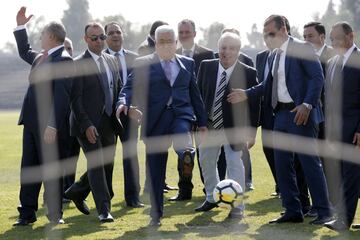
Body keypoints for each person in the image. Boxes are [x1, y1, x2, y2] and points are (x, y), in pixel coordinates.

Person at [227, 15, 332, 225]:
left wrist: (308, 104)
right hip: (281, 116)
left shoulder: (303, 48)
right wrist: (247, 93)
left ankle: (324, 212)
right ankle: (292, 210)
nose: (268, 37)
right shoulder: (274, 55)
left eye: (271, 33)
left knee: (310, 163)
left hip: (301, 113)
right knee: (282, 164)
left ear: (284, 29)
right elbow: (268, 85)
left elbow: (317, 77)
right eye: (266, 34)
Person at [116, 25, 207, 226]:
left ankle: (186, 153)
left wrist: (202, 123)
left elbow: (195, 94)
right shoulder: (143, 64)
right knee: (155, 172)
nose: (166, 45)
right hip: (154, 122)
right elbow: (128, 88)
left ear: (176, 44)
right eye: (161, 42)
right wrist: (123, 103)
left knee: (182, 135)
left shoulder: (188, 63)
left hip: (181, 116)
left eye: (169, 41)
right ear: (155, 44)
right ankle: (156, 215)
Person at [13, 7, 73, 226]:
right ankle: (26, 214)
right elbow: (23, 51)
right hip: (30, 123)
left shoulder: (64, 61)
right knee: (29, 169)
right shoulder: (41, 57)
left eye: (42, 34)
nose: (39, 37)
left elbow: (61, 98)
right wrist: (20, 26)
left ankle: (55, 215)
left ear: (51, 36)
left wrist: (52, 125)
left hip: (49, 128)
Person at [194, 32, 260, 219]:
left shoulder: (248, 72)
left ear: (238, 51)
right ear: (218, 48)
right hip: (209, 126)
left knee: (234, 164)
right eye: (223, 47)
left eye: (231, 48)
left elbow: (255, 105)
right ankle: (211, 197)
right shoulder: (205, 67)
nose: (226, 52)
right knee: (206, 161)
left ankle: (237, 206)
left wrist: (252, 132)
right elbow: (198, 96)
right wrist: (199, 123)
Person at [65, 22, 123, 223]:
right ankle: (104, 209)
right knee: (97, 163)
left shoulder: (112, 60)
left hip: (109, 122)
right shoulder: (78, 63)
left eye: (101, 37)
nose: (99, 41)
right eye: (94, 38)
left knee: (106, 164)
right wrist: (87, 124)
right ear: (85, 40)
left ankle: (77, 191)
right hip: (85, 124)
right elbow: (75, 99)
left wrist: (125, 106)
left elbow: (118, 89)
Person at [169, 19, 215, 201]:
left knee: (205, 153)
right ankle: (184, 191)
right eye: (181, 32)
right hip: (182, 113)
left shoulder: (208, 53)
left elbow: (210, 84)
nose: (184, 35)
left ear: (195, 33)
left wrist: (204, 113)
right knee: (184, 153)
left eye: (187, 32)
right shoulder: (173, 54)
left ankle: (209, 189)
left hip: (203, 111)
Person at [323, 22, 360, 231]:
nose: (333, 42)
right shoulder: (334, 62)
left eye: (336, 37)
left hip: (355, 132)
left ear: (350, 37)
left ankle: (343, 220)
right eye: (331, 38)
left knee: (351, 175)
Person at [104, 22, 143, 208]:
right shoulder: (100, 59)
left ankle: (133, 197)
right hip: (106, 116)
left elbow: (141, 87)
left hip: (129, 114)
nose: (115, 35)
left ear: (123, 35)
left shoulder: (135, 59)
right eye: (110, 33)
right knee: (106, 157)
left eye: (118, 32)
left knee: (130, 155)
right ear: (105, 37)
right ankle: (105, 197)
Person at [303, 21, 336, 216]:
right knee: (314, 162)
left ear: (322, 37)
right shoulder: (302, 57)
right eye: (304, 36)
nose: (307, 40)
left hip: (332, 118)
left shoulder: (333, 55)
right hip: (312, 117)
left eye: (311, 36)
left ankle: (329, 204)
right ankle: (319, 204)